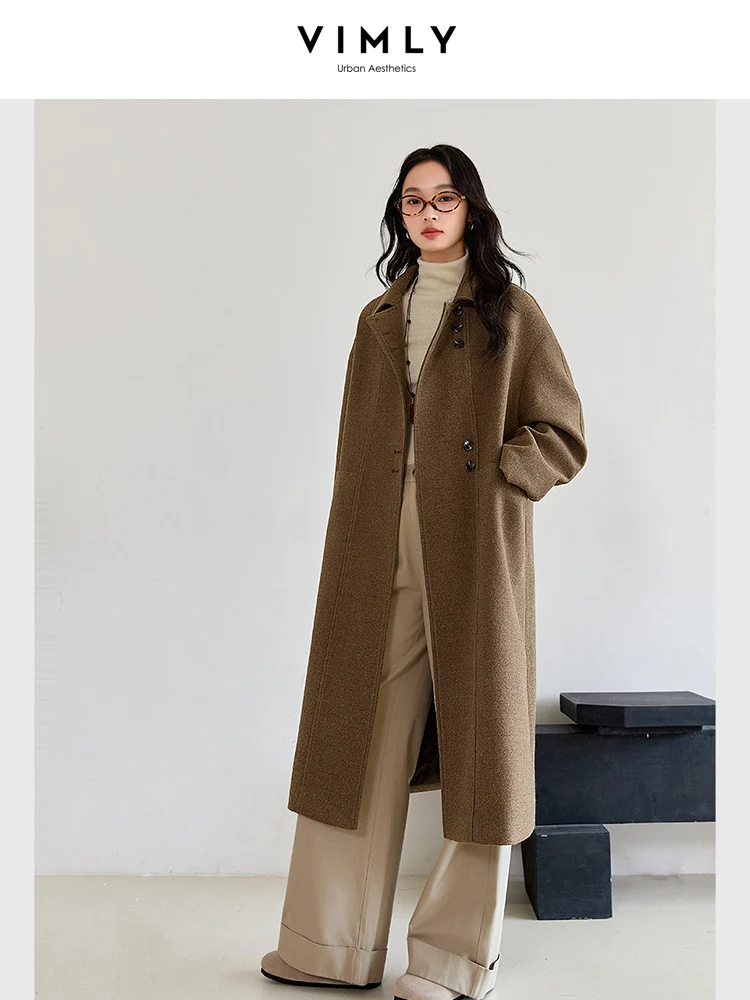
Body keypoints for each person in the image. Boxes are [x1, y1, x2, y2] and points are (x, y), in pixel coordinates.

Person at [261, 144, 588, 1000]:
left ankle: (451, 962)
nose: (429, 213)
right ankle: (327, 947)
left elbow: (562, 432)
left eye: (445, 198)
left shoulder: (512, 313)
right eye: (413, 200)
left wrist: (503, 481)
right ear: (399, 215)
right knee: (355, 736)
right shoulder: (378, 317)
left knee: (482, 744)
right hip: (376, 541)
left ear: (471, 210)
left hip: (473, 543)